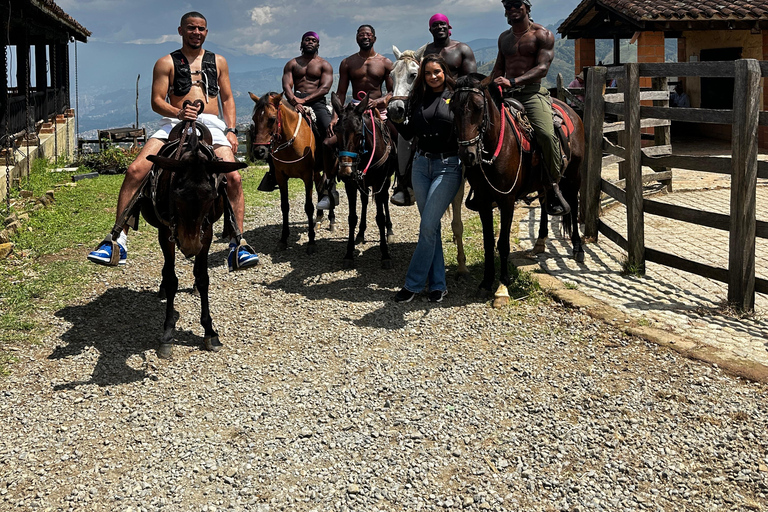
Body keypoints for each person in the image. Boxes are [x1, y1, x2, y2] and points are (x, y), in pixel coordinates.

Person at [87, 11, 259, 270]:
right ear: (181, 30)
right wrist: (178, 112)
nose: (196, 33)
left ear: (207, 32)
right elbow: (157, 101)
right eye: (191, 28)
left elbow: (226, 99)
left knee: (233, 177)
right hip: (172, 124)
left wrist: (231, 130)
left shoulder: (219, 61)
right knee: (136, 170)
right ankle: (117, 239)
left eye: (201, 29)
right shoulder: (165, 62)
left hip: (212, 124)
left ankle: (238, 242)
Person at [391, 55, 463, 303]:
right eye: (428, 73)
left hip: (448, 166)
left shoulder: (456, 95)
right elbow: (410, 133)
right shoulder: (417, 98)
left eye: (437, 72)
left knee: (427, 226)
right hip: (421, 165)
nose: (433, 76)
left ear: (444, 72)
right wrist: (395, 120)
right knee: (431, 227)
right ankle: (438, 285)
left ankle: (412, 284)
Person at [489, 0, 569, 216]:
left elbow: (542, 68)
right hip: (505, 93)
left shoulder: (542, 35)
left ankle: (553, 186)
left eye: (516, 4)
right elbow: (499, 67)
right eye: (507, 6)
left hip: (531, 93)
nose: (511, 9)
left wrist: (513, 82)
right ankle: (485, 187)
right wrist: (486, 85)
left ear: (526, 7)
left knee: (544, 133)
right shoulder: (504, 38)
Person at [391, 13, 478, 207]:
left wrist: (449, 87)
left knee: (473, 134)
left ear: (449, 27)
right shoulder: (424, 52)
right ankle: (403, 184)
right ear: (430, 29)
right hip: (428, 100)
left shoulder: (462, 49)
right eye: (435, 25)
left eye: (442, 24)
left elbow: (471, 80)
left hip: (456, 101)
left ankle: (479, 184)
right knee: (403, 135)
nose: (439, 28)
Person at [317, 24, 394, 210]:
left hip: (378, 110)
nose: (365, 37)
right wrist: (336, 117)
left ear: (374, 38)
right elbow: (341, 92)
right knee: (328, 144)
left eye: (368, 34)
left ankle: (403, 183)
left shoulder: (385, 63)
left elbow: (392, 91)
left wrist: (380, 102)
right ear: (356, 38)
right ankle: (329, 187)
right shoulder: (347, 63)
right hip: (353, 112)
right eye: (361, 34)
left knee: (398, 137)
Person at [258, 31, 334, 192]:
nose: (310, 42)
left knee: (329, 130)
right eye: (307, 40)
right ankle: (273, 172)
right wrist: (294, 100)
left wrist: (304, 101)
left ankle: (332, 170)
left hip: (317, 103)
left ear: (318, 44)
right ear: (301, 43)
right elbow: (286, 85)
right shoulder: (292, 64)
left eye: (313, 40)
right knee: (275, 129)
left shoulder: (324, 64)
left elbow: (325, 87)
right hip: (294, 101)